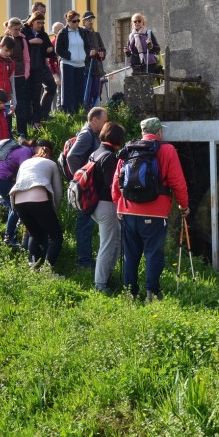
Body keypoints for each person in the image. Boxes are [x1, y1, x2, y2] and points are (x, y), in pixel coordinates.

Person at [111, 117, 189, 301]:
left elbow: (116, 181)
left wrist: (119, 205)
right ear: (159, 132)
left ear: (143, 133)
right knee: (153, 253)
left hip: (128, 211)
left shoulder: (129, 150)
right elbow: (178, 182)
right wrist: (183, 206)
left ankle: (130, 292)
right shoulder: (167, 150)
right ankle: (151, 293)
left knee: (130, 254)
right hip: (155, 212)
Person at [10, 139, 64, 270]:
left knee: (34, 233)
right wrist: (55, 211)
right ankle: (47, 269)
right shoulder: (51, 164)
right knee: (56, 237)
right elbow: (58, 191)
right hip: (38, 198)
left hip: (18, 201)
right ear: (50, 154)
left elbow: (18, 182)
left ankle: (32, 266)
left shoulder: (25, 163)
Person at [66, 107, 108, 269]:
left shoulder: (91, 134)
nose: (105, 125)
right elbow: (72, 156)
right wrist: (82, 178)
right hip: (85, 189)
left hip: (87, 188)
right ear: (94, 120)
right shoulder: (86, 134)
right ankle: (84, 262)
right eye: (104, 121)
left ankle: (86, 260)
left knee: (87, 224)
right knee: (84, 224)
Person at [90, 121, 126, 293]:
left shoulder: (96, 153)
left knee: (116, 240)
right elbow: (113, 185)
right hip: (106, 206)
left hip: (95, 205)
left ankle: (107, 275)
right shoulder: (110, 157)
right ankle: (100, 284)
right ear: (118, 139)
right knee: (107, 244)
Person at [0, 138, 35, 249]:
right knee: (17, 207)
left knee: (12, 206)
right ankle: (9, 238)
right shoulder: (27, 152)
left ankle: (10, 237)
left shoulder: (21, 149)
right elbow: (25, 172)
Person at [0, 18, 31, 137]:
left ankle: (22, 133)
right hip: (5, 78)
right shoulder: (0, 40)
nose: (18, 31)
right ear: (9, 28)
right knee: (6, 105)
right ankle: (8, 132)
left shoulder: (22, 40)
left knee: (21, 105)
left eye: (19, 29)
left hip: (19, 76)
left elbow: (26, 59)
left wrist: (26, 74)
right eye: (16, 29)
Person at [54, 10, 93, 113]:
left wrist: (85, 55)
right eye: (74, 21)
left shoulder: (82, 32)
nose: (76, 23)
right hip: (68, 64)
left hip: (80, 64)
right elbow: (58, 49)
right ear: (68, 21)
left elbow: (87, 46)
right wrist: (70, 56)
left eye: (78, 21)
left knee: (79, 89)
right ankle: (67, 112)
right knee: (68, 89)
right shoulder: (62, 32)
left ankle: (78, 111)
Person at [22, 11, 55, 127]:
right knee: (26, 96)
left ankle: (37, 120)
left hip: (38, 68)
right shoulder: (24, 31)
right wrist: (31, 42)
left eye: (42, 23)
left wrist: (50, 50)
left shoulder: (43, 34)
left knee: (36, 95)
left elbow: (48, 51)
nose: (40, 25)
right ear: (32, 22)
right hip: (26, 69)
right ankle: (27, 121)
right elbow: (19, 44)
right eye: (38, 22)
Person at [80, 11, 107, 109]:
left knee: (97, 94)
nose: (91, 22)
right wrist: (88, 53)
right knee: (86, 94)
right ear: (83, 22)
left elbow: (103, 49)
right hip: (86, 69)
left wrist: (102, 54)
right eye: (88, 20)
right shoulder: (81, 33)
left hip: (97, 68)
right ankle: (86, 113)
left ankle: (95, 112)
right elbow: (80, 50)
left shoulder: (97, 34)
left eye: (92, 20)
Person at [48, 21, 64, 112]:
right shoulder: (53, 43)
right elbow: (50, 61)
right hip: (58, 71)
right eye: (60, 30)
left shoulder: (67, 40)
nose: (62, 31)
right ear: (55, 32)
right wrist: (55, 76)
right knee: (59, 94)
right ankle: (59, 113)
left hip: (68, 69)